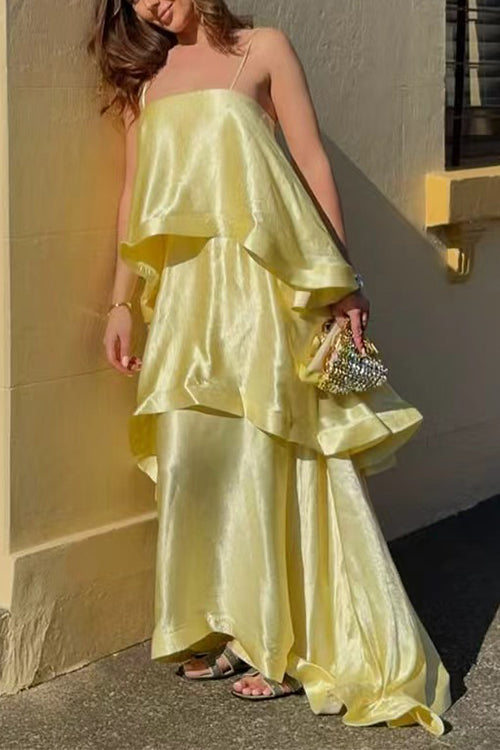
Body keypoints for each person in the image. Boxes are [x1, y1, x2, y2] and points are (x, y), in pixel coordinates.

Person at [88, 0, 452, 735]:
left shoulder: (265, 49)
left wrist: (342, 277)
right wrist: (120, 303)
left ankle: (281, 644)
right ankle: (233, 624)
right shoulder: (146, 79)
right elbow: (134, 196)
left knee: (268, 455)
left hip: (262, 289)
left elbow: (310, 163)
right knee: (201, 461)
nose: (153, 2)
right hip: (185, 299)